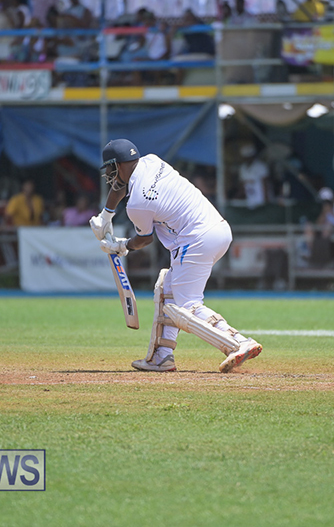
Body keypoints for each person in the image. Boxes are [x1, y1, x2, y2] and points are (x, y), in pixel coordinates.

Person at [89, 139, 262, 373]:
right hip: (218, 229)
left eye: (110, 168)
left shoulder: (137, 204)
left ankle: (238, 342)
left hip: (195, 239)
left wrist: (121, 246)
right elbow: (121, 185)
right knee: (167, 290)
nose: (109, 175)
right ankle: (162, 356)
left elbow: (144, 239)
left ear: (118, 165)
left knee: (186, 305)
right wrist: (106, 216)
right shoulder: (152, 161)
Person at [238, 143, 269, 209]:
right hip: (249, 198)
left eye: (249, 157)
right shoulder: (242, 168)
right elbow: (242, 185)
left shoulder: (261, 166)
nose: (248, 159)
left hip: (261, 198)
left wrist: (266, 199)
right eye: (246, 157)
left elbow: (265, 183)